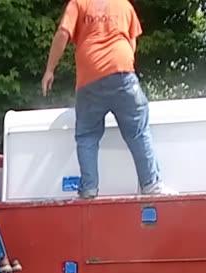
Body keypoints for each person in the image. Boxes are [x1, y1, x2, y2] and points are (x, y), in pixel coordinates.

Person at [42, 0, 169, 199]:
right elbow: (131, 41)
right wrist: (120, 65)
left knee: (87, 136)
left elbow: (63, 33)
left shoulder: (78, 3)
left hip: (89, 78)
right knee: (138, 131)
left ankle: (89, 191)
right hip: (122, 72)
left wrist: (50, 70)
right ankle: (151, 185)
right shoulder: (124, 5)